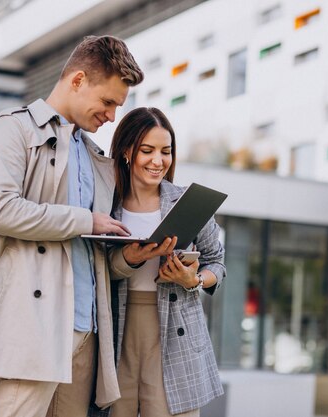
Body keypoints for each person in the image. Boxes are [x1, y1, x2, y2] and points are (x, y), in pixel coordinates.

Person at [0, 35, 150, 417]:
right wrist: (84, 219)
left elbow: (88, 251)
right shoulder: (15, 130)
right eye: (107, 102)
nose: (111, 116)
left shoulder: (93, 155)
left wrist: (131, 258)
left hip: (87, 328)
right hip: (35, 321)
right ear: (77, 80)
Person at [105, 107, 226, 417]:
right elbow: (94, 267)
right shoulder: (106, 204)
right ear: (127, 151)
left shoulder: (189, 202)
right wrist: (128, 259)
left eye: (166, 151)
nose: (158, 161)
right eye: (147, 150)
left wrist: (193, 280)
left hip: (175, 329)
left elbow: (217, 263)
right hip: (117, 328)